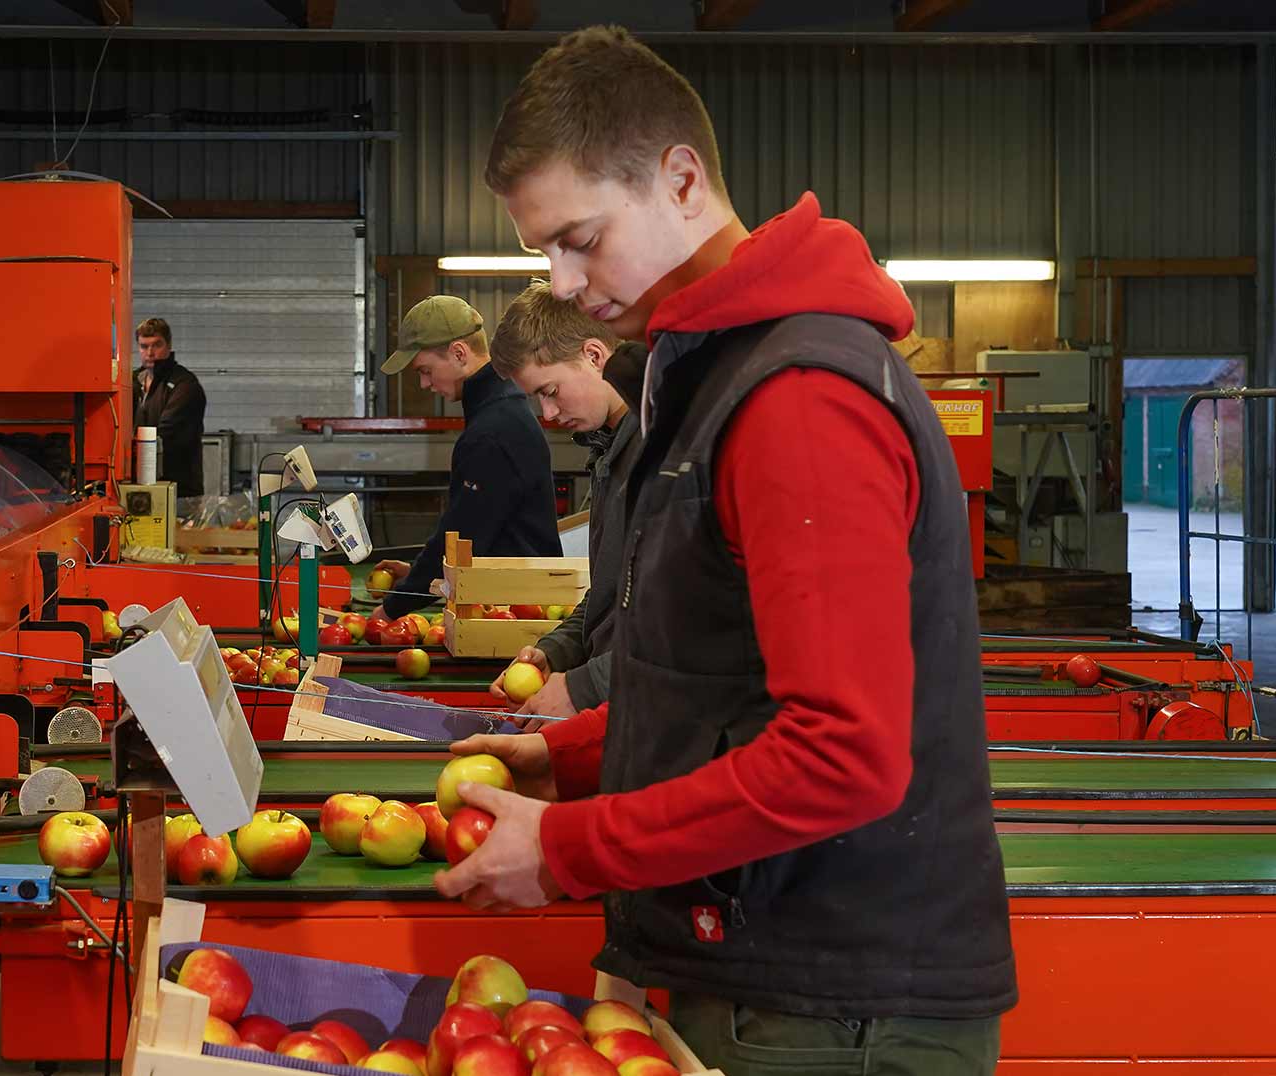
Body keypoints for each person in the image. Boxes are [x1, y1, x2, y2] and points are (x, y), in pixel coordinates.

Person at [431, 26, 1015, 1075]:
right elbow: (723, 676)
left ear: (682, 178)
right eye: (544, 253)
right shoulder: (712, 375)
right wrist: (573, 755)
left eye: (580, 237)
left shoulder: (798, 400)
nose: (563, 282)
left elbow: (844, 750)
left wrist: (569, 848)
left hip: (831, 1003)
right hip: (770, 967)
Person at [484, 281, 641, 722]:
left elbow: (685, 624)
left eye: (550, 391)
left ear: (594, 356)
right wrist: (557, 650)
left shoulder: (658, 454)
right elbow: (613, 595)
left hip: (646, 711)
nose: (548, 414)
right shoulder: (610, 452)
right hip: (616, 703)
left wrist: (584, 686)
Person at [368, 296, 560, 622]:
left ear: (459, 353)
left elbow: (463, 533)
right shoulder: (499, 409)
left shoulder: (493, 430)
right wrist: (418, 572)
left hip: (519, 614)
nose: (424, 384)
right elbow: (477, 526)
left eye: (426, 371)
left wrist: (391, 609)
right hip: (508, 600)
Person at [131, 317, 206, 498]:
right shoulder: (133, 382)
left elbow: (167, 432)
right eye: (144, 346)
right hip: (140, 485)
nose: (150, 352)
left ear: (169, 345)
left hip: (179, 490)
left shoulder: (185, 384)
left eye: (157, 345)